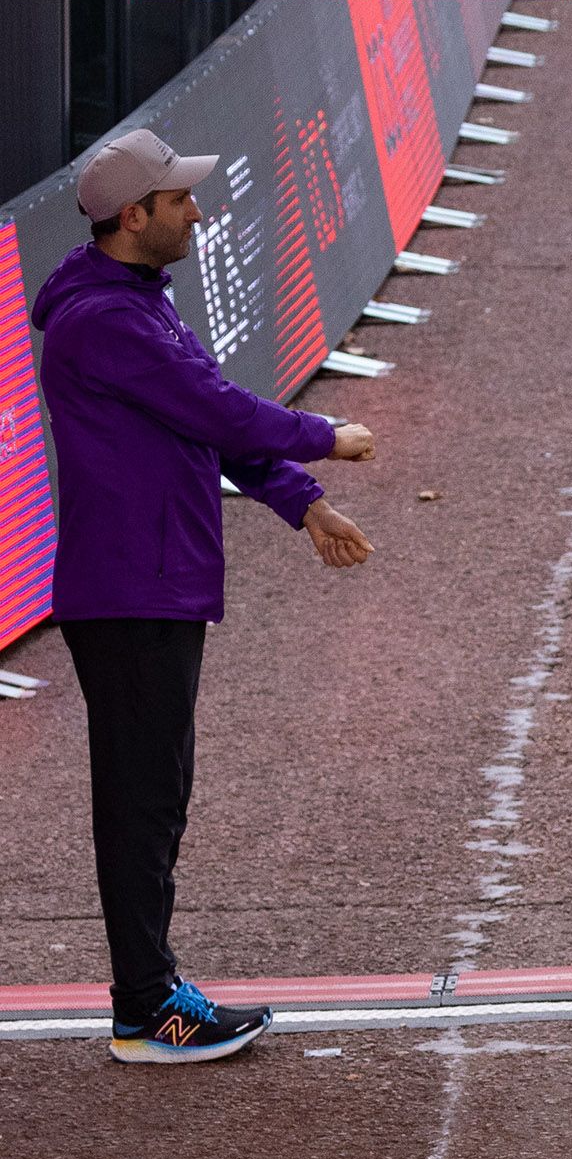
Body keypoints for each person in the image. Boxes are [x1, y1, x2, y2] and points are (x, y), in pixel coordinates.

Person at [34, 127, 379, 1063]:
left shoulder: (132, 302)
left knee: (157, 794)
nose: (196, 210)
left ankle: (150, 998)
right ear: (134, 216)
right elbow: (221, 410)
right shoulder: (107, 320)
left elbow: (206, 421)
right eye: (180, 199)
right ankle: (146, 1008)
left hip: (153, 582)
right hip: (132, 589)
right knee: (143, 802)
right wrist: (321, 437)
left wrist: (302, 503)